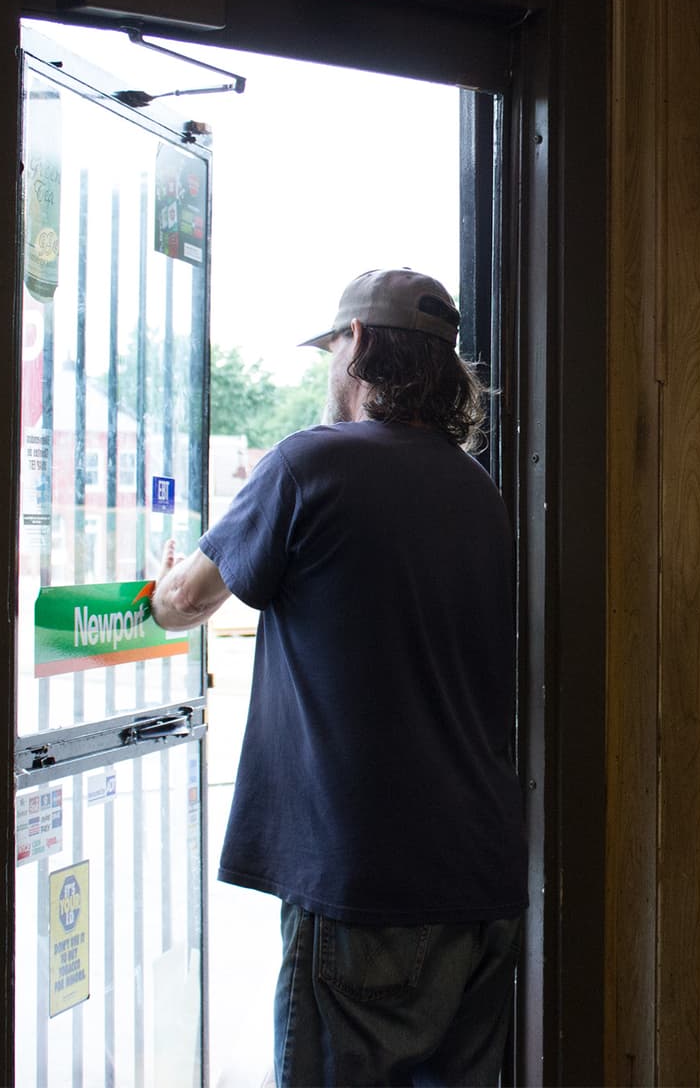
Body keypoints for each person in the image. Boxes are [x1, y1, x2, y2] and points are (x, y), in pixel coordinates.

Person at [148, 268, 522, 1087]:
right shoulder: (478, 490)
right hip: (482, 880)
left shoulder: (309, 466)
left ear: (355, 345)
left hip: (366, 882)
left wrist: (157, 586)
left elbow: (184, 600)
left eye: (331, 349)